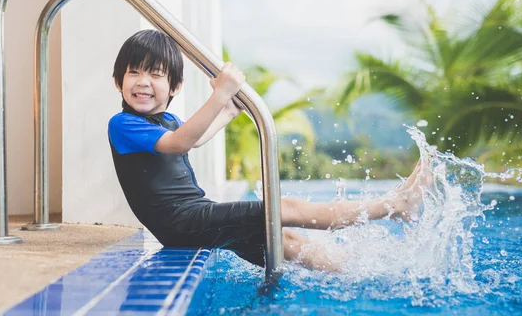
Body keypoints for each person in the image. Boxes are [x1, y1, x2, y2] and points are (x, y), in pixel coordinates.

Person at [108, 29, 430, 271]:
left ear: (175, 86)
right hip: (184, 223)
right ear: (118, 81)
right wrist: (219, 95)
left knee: (285, 242)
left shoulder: (165, 120)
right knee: (285, 207)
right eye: (134, 72)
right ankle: (396, 204)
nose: (143, 82)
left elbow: (197, 137)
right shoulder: (123, 124)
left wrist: (229, 111)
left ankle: (355, 274)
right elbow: (180, 143)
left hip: (193, 216)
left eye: (155, 74)